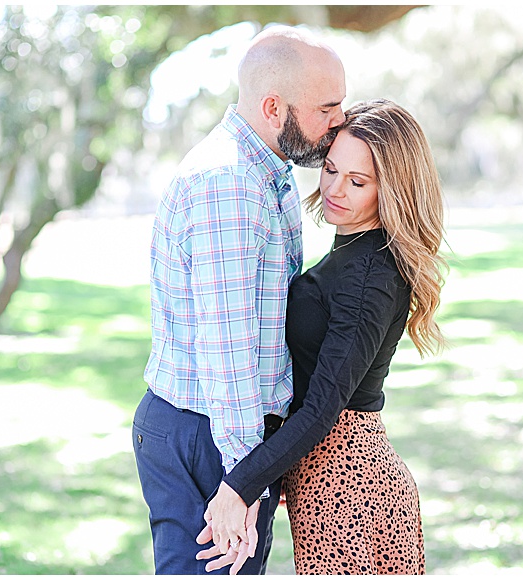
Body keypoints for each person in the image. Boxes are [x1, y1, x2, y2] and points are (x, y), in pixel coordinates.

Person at [196, 98, 447, 575]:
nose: (335, 189)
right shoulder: (357, 250)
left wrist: (241, 484)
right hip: (330, 478)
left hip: (349, 488)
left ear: (391, 190)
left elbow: (323, 408)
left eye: (358, 182)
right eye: (331, 169)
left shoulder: (369, 274)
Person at [132, 25, 346, 575]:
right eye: (327, 108)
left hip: (226, 434)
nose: (339, 122)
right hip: (210, 436)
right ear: (275, 107)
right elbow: (229, 350)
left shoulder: (265, 172)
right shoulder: (229, 184)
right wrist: (241, 478)